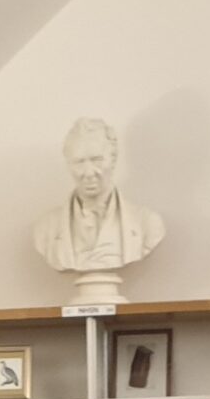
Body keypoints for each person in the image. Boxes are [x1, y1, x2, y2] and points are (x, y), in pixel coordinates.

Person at [33, 118, 163, 294]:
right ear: (69, 165)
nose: (88, 172)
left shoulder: (147, 223)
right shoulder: (46, 228)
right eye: (79, 162)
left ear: (113, 159)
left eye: (97, 160)